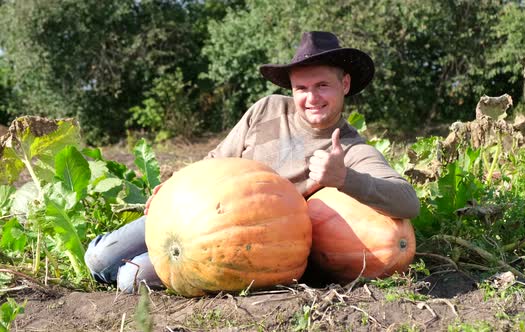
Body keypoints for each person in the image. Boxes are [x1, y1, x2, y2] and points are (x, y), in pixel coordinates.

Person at [84, 31, 420, 293]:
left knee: (129, 279)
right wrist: (173, 186)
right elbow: (217, 159)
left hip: (239, 242)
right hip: (194, 210)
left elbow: (408, 202)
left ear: (344, 84)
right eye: (302, 87)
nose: (311, 97)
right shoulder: (267, 109)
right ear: (291, 88)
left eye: (323, 86)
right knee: (97, 257)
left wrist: (345, 178)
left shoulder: (349, 148)